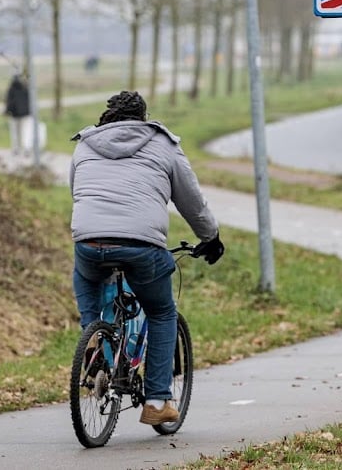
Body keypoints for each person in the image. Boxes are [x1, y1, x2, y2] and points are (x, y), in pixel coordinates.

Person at [69, 90, 225, 426]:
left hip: (89, 241)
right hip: (141, 246)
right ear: (143, 118)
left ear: (106, 118)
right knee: (161, 311)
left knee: (86, 277)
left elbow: (78, 193)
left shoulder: (85, 144)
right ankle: (156, 400)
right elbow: (192, 202)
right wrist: (210, 238)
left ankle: (93, 339)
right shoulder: (164, 144)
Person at [4, 74, 30, 156]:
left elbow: (9, 102)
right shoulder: (25, 88)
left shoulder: (11, 90)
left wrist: (7, 111)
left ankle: (16, 148)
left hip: (14, 115)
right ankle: (26, 148)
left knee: (15, 132)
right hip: (25, 114)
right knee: (25, 131)